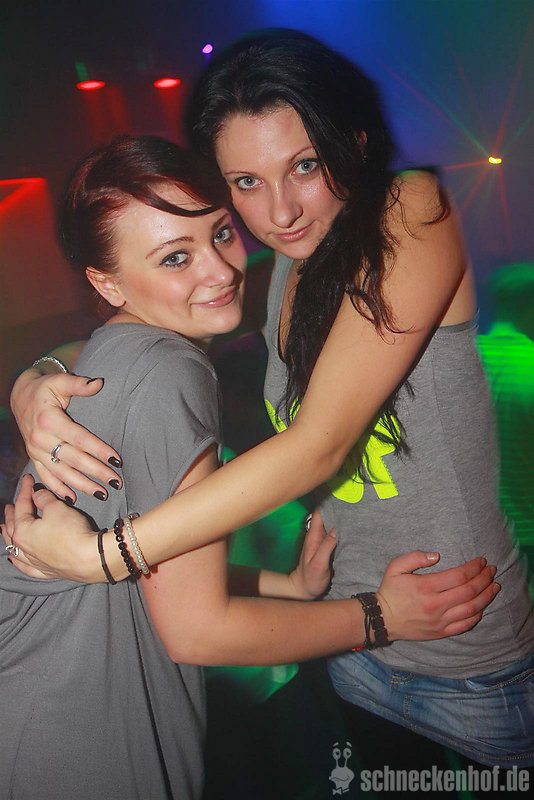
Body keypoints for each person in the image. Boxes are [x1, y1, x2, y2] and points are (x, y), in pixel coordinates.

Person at [6, 29, 533, 768]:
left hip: (465, 653)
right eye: (247, 182)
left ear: (352, 142)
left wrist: (106, 555)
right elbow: (146, 320)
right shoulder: (285, 271)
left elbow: (316, 445)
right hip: (353, 640)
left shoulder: (412, 210)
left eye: (304, 166)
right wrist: (32, 381)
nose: (279, 212)